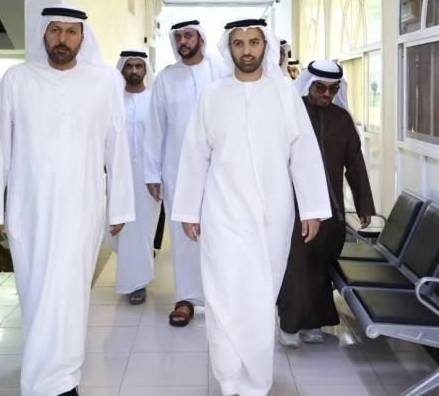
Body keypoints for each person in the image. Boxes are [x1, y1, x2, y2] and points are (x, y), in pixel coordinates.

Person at [0, 5, 135, 396]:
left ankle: (62, 380)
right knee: (35, 292)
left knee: (70, 293)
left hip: (82, 207)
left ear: (83, 37)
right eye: (55, 31)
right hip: (28, 209)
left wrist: (120, 205)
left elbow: (116, 145)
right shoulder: (17, 80)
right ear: (43, 35)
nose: (62, 39)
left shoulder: (104, 82)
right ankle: (47, 380)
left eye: (71, 31)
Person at [173, 19, 331, 396]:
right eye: (239, 43)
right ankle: (229, 379)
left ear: (266, 46)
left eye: (254, 42)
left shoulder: (284, 95)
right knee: (222, 295)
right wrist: (189, 210)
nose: (247, 50)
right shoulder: (212, 95)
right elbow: (194, 154)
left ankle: (256, 382)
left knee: (260, 298)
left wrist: (311, 208)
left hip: (272, 215)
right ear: (229, 48)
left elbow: (303, 152)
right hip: (221, 212)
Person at [279, 60, 377, 346]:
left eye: (332, 90)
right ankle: (289, 325)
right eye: (320, 88)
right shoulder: (291, 114)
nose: (326, 94)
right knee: (296, 266)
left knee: (321, 266)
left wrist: (364, 205)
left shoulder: (341, 119)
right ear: (308, 85)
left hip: (330, 208)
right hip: (293, 205)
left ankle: (314, 323)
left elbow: (355, 163)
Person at [144, 19, 229, 326]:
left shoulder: (220, 74)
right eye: (178, 36)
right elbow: (155, 126)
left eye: (188, 35)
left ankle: (221, 299)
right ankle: (186, 298)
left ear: (200, 38)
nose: (183, 41)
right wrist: (151, 173)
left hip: (217, 170)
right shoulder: (166, 78)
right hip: (176, 170)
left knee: (219, 233)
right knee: (182, 238)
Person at [112, 49, 158, 305]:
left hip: (146, 178)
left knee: (141, 229)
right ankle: (132, 272)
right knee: (119, 229)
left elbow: (160, 139)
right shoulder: (113, 101)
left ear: (145, 70)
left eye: (138, 66)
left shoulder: (153, 100)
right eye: (129, 66)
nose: (133, 71)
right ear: (122, 69)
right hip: (117, 175)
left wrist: (156, 174)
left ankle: (137, 283)